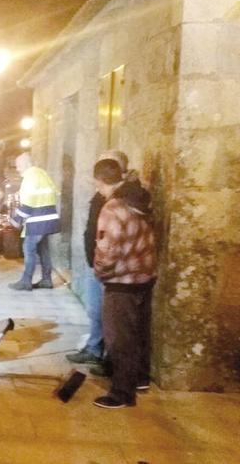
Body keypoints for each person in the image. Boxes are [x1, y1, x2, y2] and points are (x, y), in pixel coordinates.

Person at [90, 158, 156, 409]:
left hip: (121, 281)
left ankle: (122, 393)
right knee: (138, 334)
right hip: (143, 278)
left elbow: (107, 248)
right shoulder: (139, 200)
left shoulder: (113, 208)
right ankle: (139, 378)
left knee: (119, 339)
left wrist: (100, 272)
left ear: (100, 181)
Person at [67, 150, 130, 365]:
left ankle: (103, 355)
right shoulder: (106, 197)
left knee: (103, 312)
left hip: (105, 266)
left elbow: (111, 238)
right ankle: (96, 347)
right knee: (96, 310)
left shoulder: (117, 202)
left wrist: (101, 266)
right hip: (96, 260)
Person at [8, 152, 60, 291]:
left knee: (28, 249)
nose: (17, 169)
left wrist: (16, 220)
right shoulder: (42, 174)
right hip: (48, 219)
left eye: (18, 166)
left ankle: (26, 281)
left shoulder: (29, 177)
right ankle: (47, 279)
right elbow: (56, 192)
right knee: (44, 250)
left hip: (37, 221)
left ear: (25, 164)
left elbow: (28, 203)